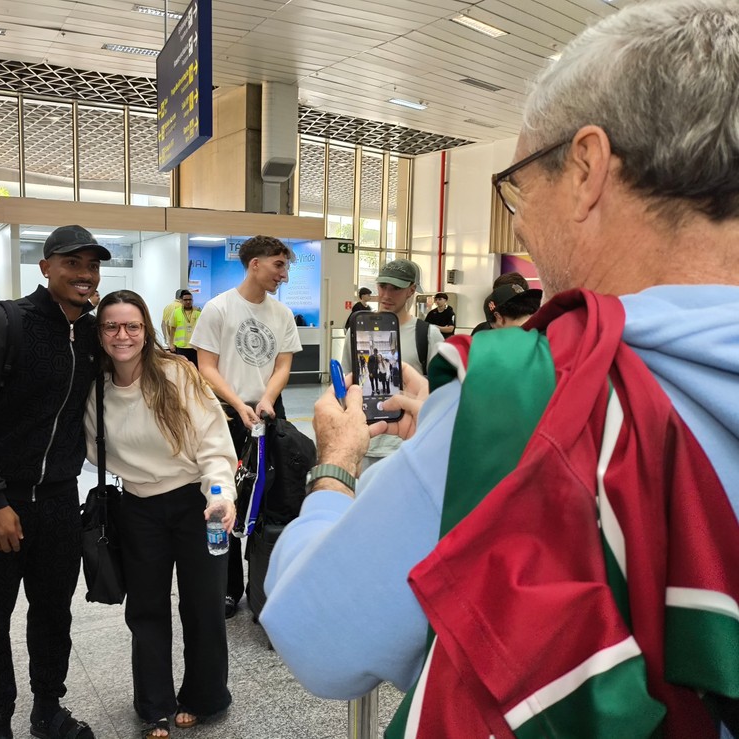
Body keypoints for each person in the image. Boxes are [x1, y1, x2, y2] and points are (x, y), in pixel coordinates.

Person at [261, 2, 739, 737]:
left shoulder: (533, 396)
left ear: (586, 167)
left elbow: (318, 635)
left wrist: (335, 468)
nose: (517, 220)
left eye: (519, 183)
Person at [0, 225, 110, 739]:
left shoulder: (90, 333)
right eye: (71, 263)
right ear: (45, 267)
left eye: (91, 265)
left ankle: (47, 710)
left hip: (60, 501)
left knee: (52, 614)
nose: (83, 274)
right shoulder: (5, 323)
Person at [84, 290, 237, 739]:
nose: (122, 335)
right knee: (147, 609)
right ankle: (153, 704)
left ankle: (205, 696)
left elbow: (212, 441)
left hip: (197, 504)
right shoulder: (97, 387)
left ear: (146, 329)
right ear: (100, 333)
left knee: (204, 605)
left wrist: (221, 493)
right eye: (111, 326)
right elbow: (93, 451)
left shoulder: (176, 374)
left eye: (132, 325)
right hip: (137, 509)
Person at [190, 234, 302, 618]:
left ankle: (262, 587)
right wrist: (238, 404)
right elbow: (205, 366)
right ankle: (226, 588)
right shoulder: (219, 309)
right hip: (225, 413)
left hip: (270, 413)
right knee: (225, 497)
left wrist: (267, 399)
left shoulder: (282, 314)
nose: (283, 275)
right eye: (278, 265)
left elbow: (283, 365)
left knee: (269, 499)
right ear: (254, 263)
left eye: (285, 266)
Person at [340, 259, 443, 471]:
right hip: (365, 441)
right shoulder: (357, 332)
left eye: (395, 288)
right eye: (382, 286)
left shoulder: (427, 334)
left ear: (411, 290)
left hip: (408, 444)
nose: (386, 295)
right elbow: (346, 382)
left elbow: (440, 392)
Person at [166, 289, 201, 366]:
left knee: (195, 370)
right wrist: (171, 344)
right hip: (181, 347)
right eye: (185, 300)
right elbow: (172, 329)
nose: (188, 302)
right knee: (182, 369)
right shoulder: (176, 312)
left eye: (190, 299)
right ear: (181, 300)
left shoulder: (198, 312)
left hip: (194, 347)